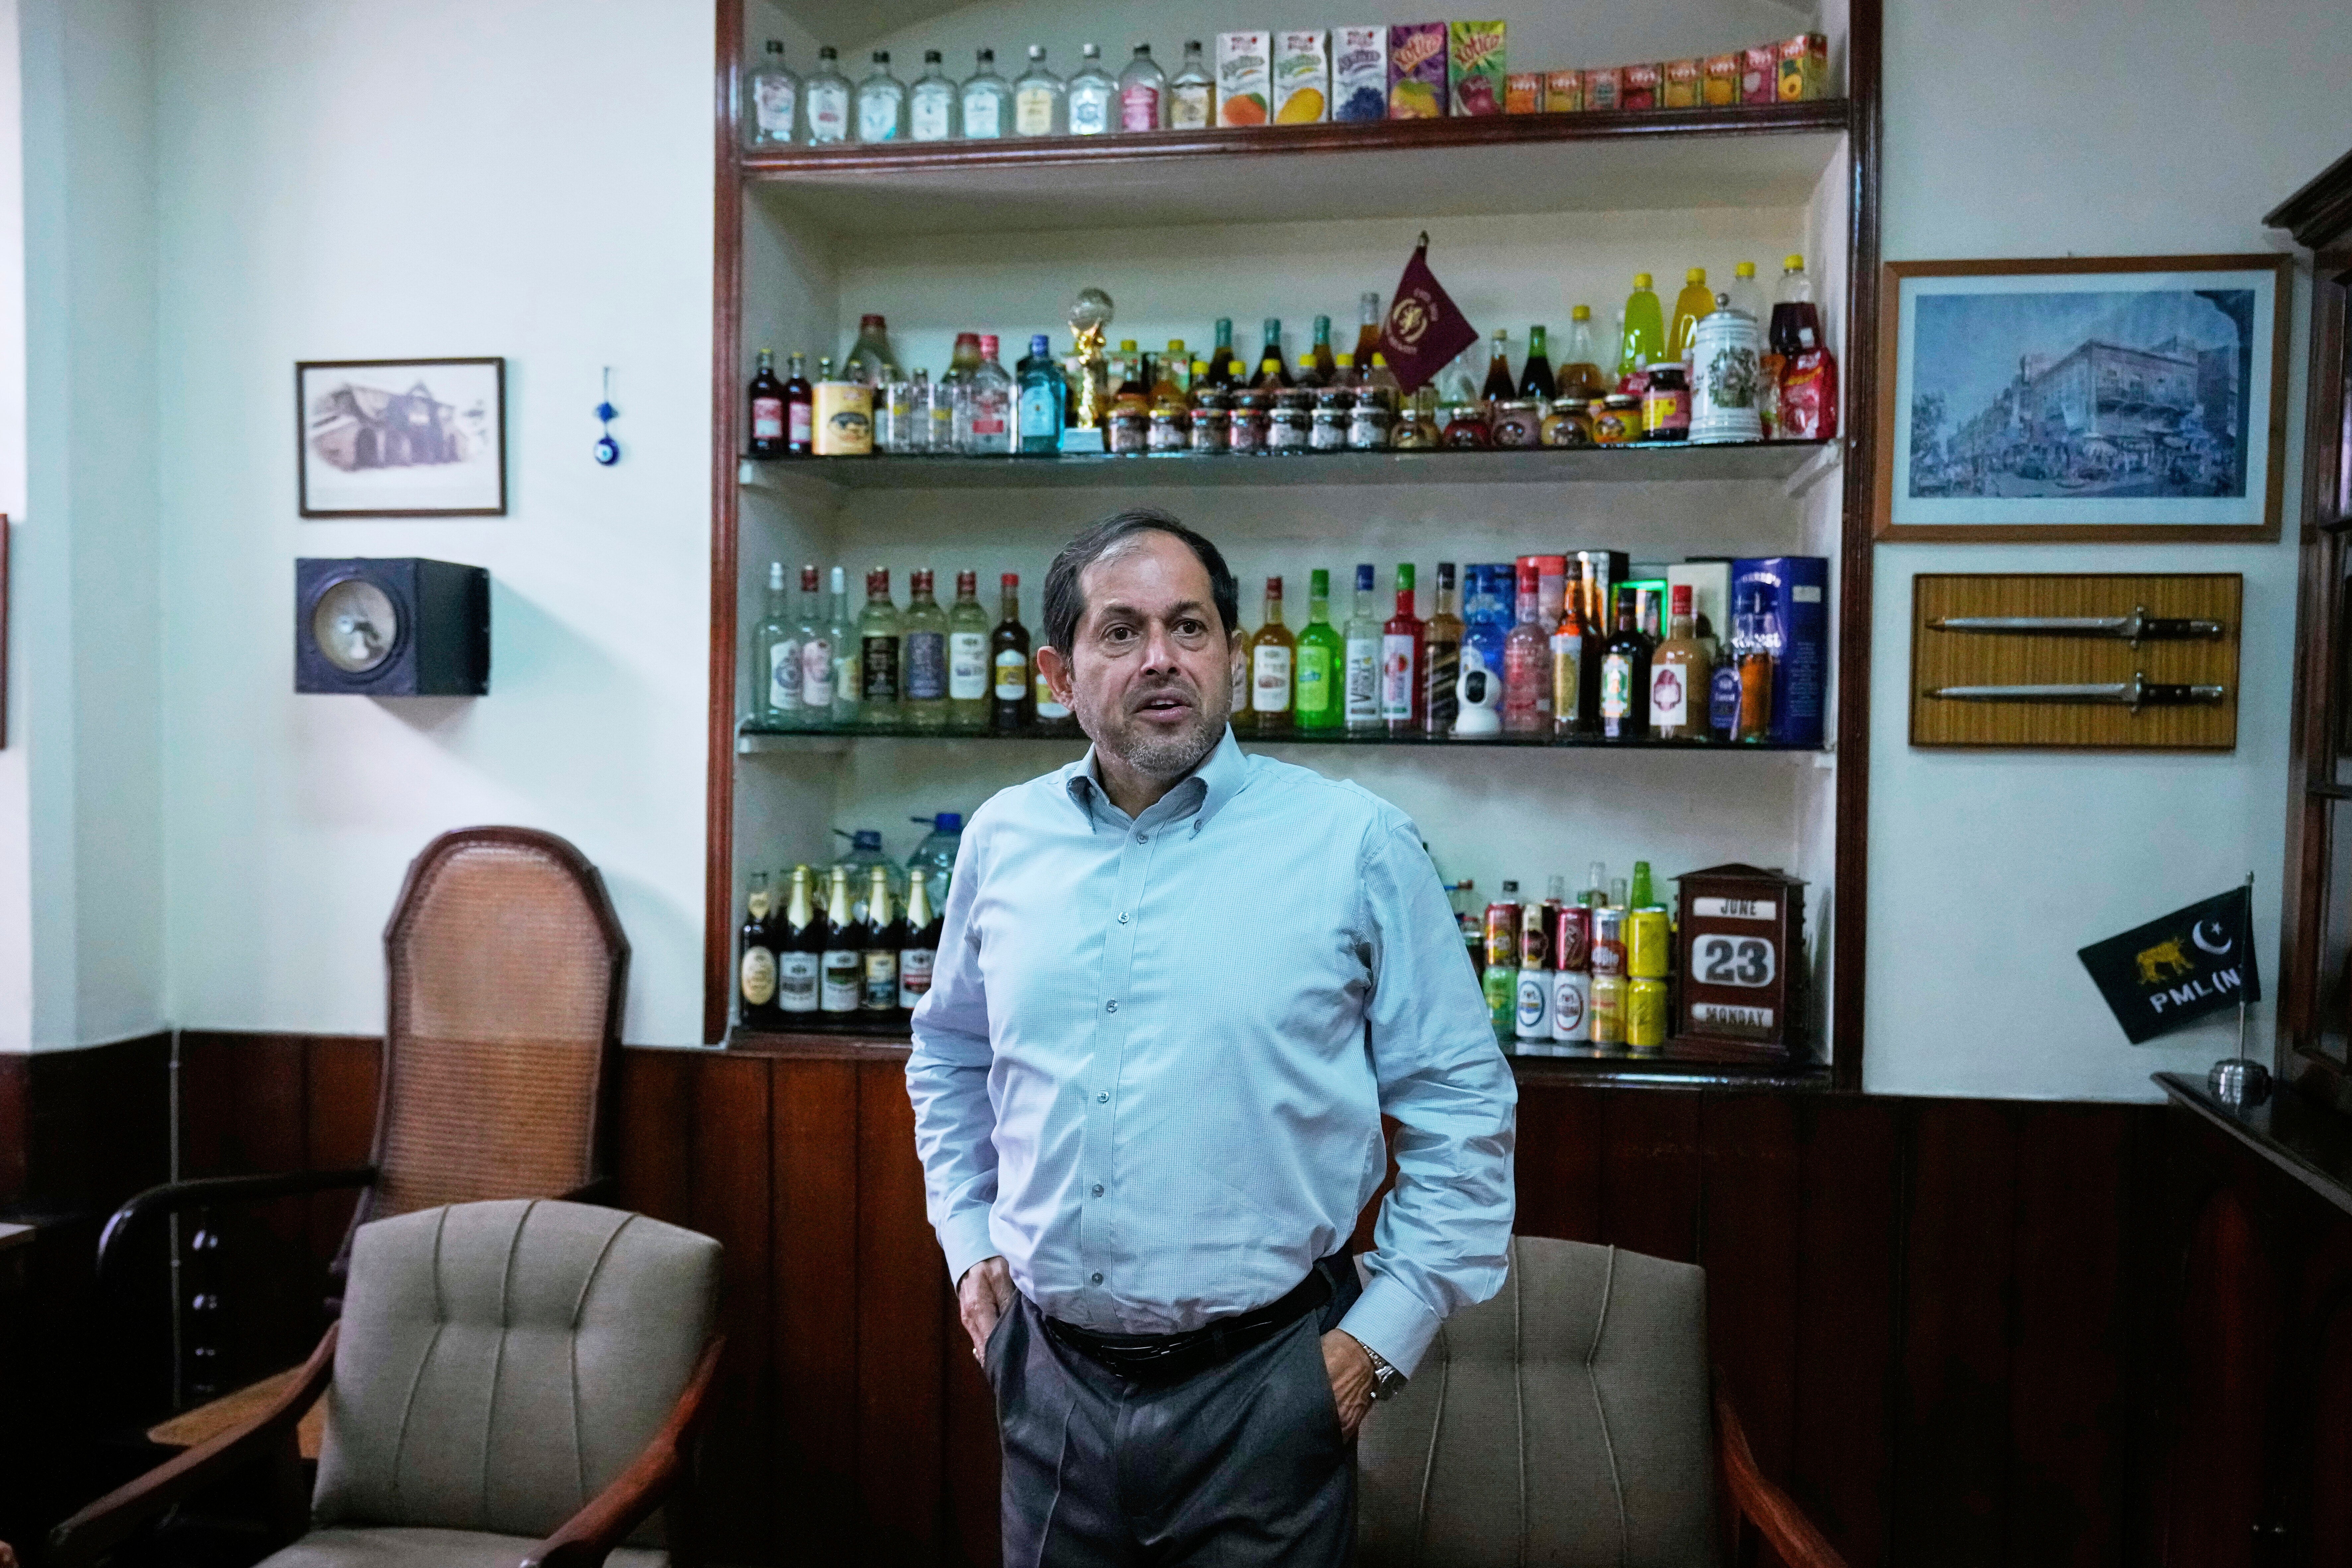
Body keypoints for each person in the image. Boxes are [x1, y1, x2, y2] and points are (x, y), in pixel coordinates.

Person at [906, 507, 1517, 1566]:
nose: (1161, 660)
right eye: (1121, 632)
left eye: (1190, 629)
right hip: (1045, 1381)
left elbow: (1463, 1102)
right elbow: (951, 1055)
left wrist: (1377, 1342)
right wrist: (970, 1246)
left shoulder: (1354, 844)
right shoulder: (1003, 841)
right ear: (1059, 674)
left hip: (1268, 1383)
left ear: (1231, 656)